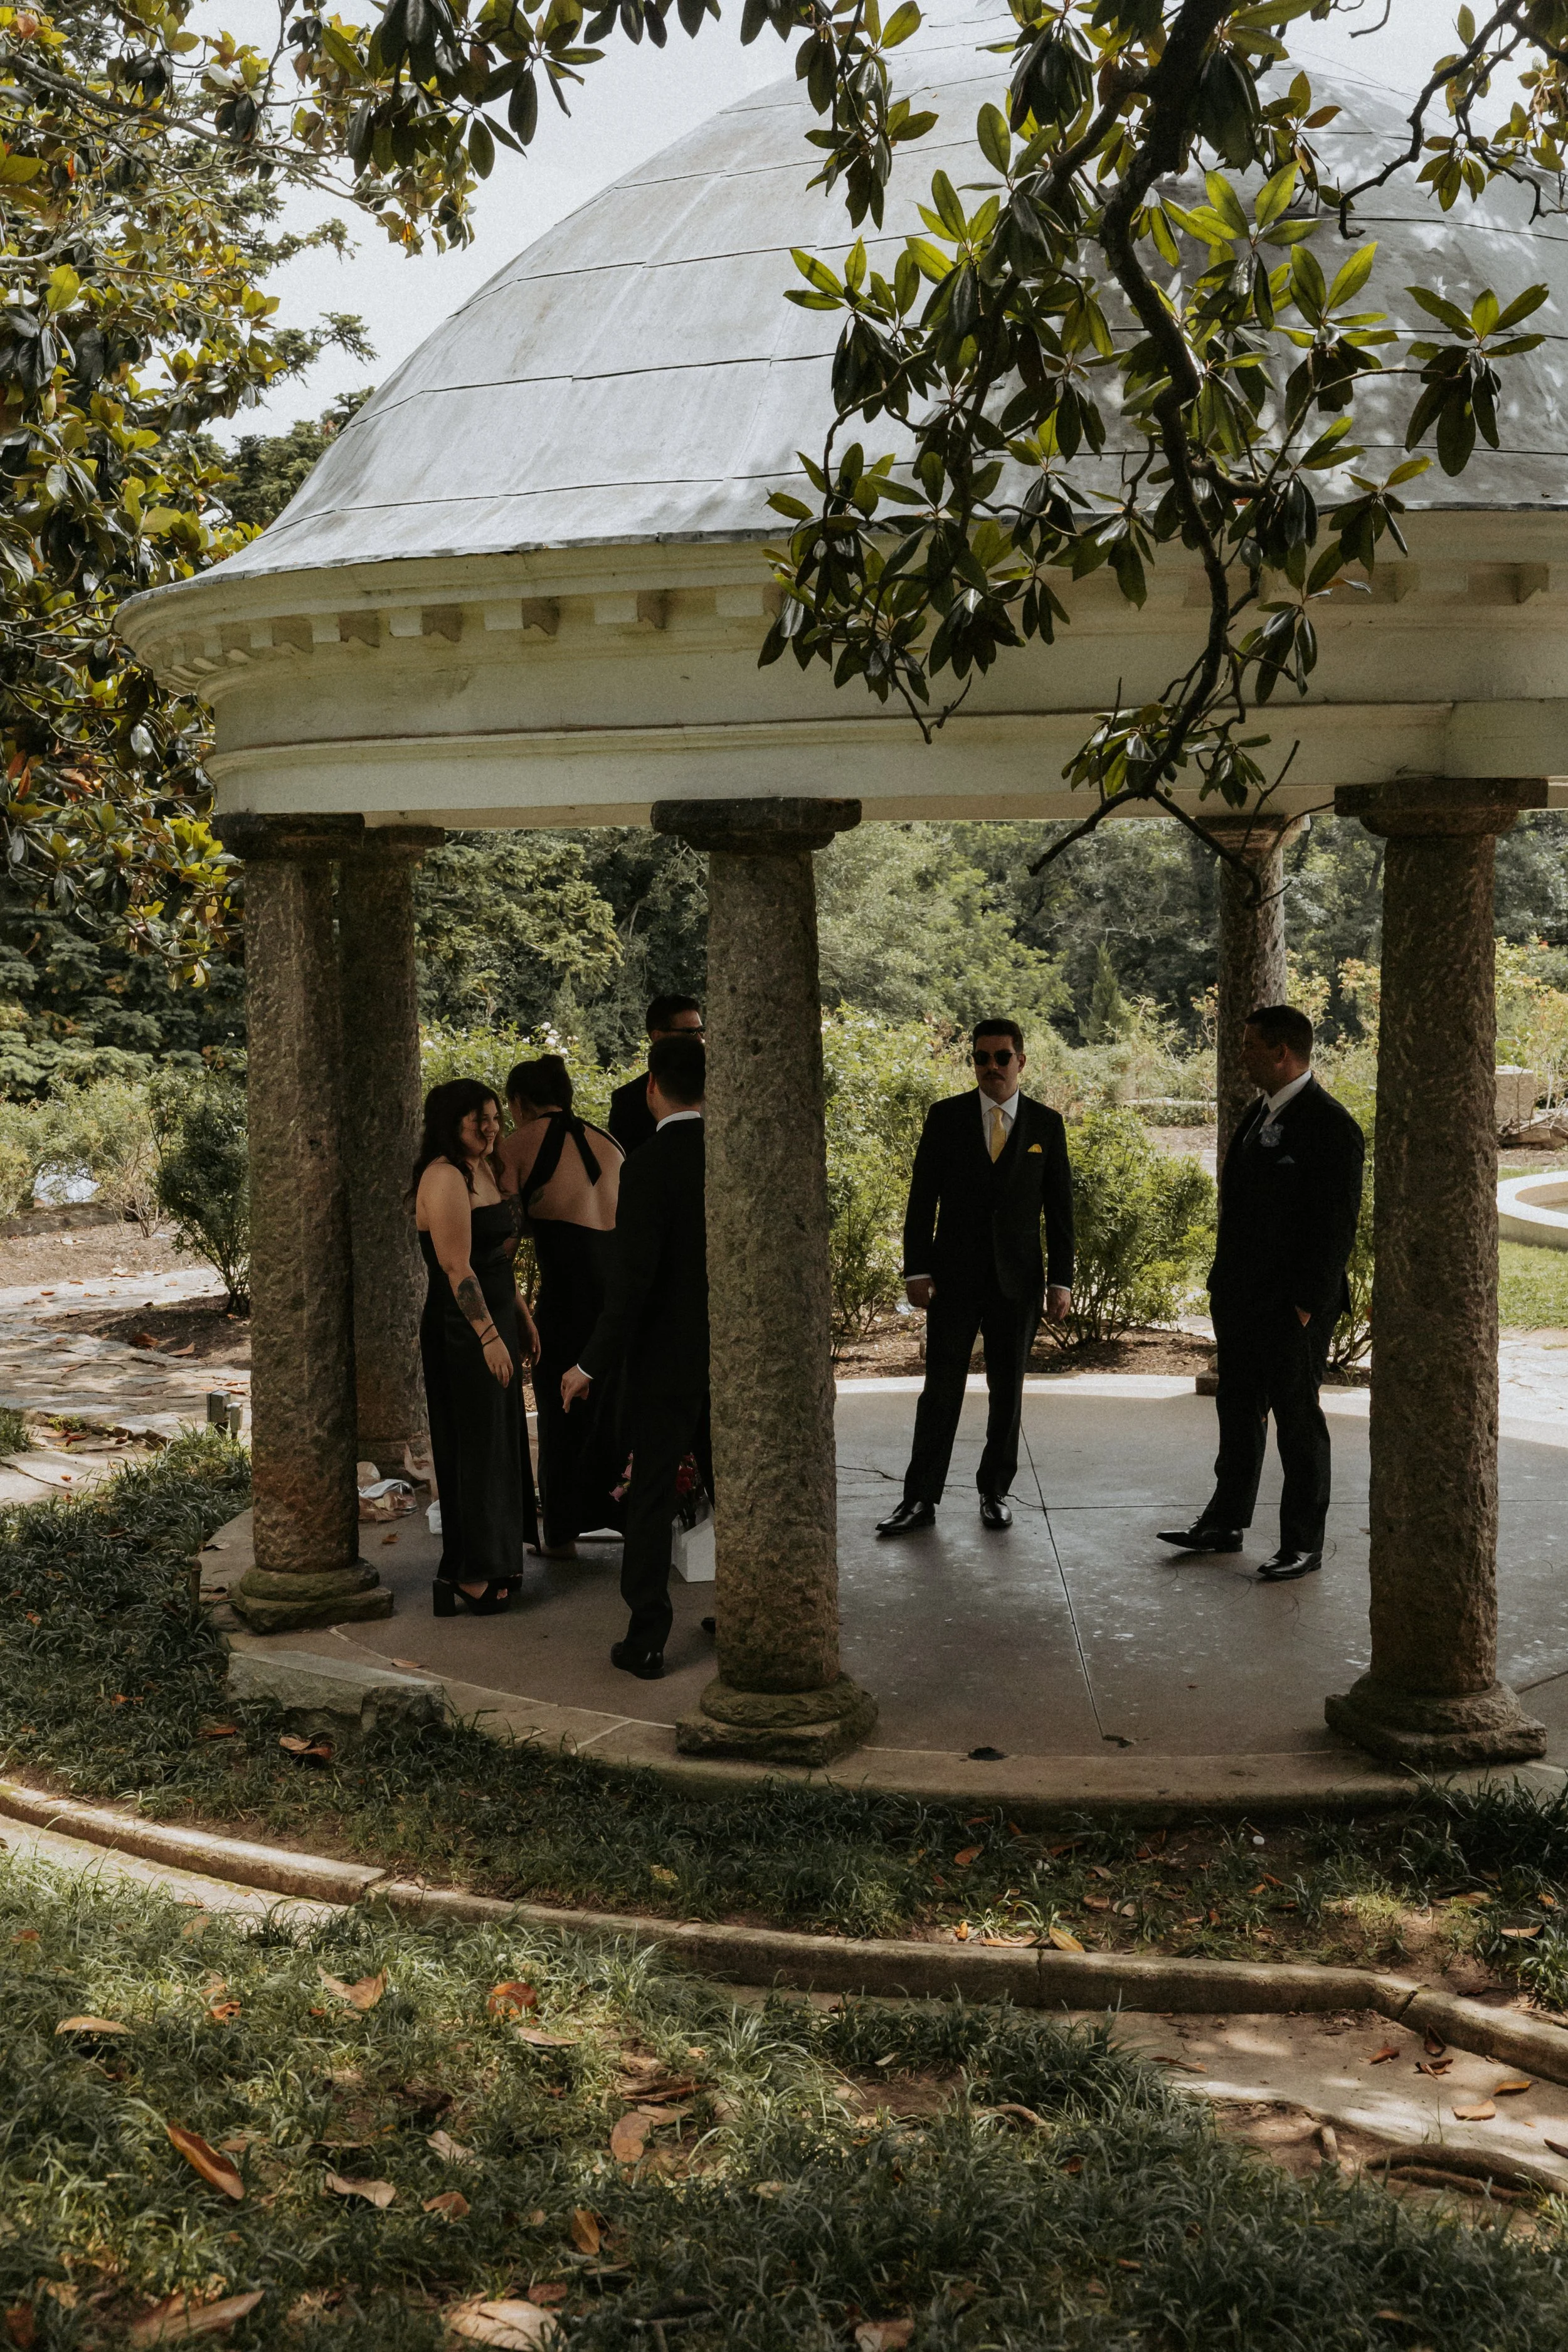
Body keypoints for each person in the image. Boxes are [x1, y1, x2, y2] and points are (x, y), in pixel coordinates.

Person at [1158, 1002, 1365, 1581]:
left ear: (1282, 1052)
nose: (1241, 1056)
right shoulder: (1259, 1113)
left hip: (1292, 1308)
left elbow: (1335, 1226)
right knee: (1238, 1409)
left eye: (1250, 1047)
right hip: (1242, 1300)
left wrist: (1306, 1304)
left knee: (1298, 1422)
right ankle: (1225, 1522)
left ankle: (1302, 1542)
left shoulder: (1330, 1126)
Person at [876, 1019, 1074, 1539]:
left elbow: (1060, 1212)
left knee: (1007, 1391)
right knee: (940, 1390)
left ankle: (995, 1492)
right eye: (981, 1059)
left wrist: (1063, 1281)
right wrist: (916, 1270)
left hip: (1019, 1282)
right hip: (953, 1278)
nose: (991, 1068)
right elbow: (922, 1201)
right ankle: (920, 1498)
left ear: (1021, 1061)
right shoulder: (945, 1118)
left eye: (1001, 1058)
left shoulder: (1046, 1126)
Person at [561, 1032, 711, 1678]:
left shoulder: (646, 1167)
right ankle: (753, 1612)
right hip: (732, 1359)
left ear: (652, 1088)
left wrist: (587, 1363)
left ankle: (648, 1637)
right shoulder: (735, 1158)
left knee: (650, 1493)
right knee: (741, 1490)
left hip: (668, 1361)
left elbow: (631, 1286)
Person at [413, 1078, 540, 1614]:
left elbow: (494, 1262)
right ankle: (466, 1572)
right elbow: (456, 1267)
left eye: (494, 1117)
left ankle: (499, 1558)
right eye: (478, 1121)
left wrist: (523, 1320)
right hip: (461, 1330)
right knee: (473, 1448)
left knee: (501, 1446)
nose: (491, 1128)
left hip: (495, 1321)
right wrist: (489, 1337)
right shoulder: (443, 1177)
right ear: (450, 1124)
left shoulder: (483, 1169)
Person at [495, 1054, 623, 1555]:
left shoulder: (518, 1144)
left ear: (520, 1103)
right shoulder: (610, 1143)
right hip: (617, 1296)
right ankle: (623, 1516)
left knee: (559, 1404)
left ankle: (563, 1533)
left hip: (567, 1296)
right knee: (613, 1406)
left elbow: (501, 1240)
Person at [608, 994, 704, 1156]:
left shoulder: (723, 1085)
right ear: (658, 1037)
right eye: (690, 1032)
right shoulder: (627, 1101)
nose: (700, 1039)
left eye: (701, 1031)